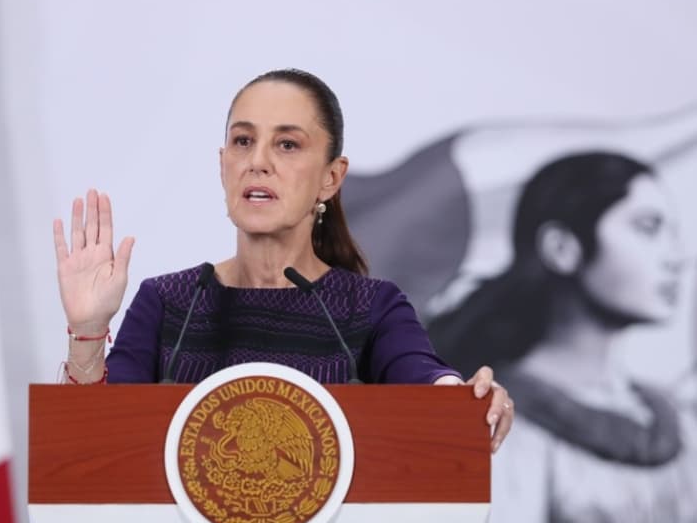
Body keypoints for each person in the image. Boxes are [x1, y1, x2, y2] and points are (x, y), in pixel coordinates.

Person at [52, 68, 514, 452]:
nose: (258, 161)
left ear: (331, 178)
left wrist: (465, 400)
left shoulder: (369, 308)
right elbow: (101, 442)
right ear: (222, 164)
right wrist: (87, 333)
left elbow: (421, 376)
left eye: (287, 144)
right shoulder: (169, 302)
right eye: (242, 141)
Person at [428, 152, 697, 523]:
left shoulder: (678, 419)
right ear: (561, 248)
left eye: (673, 233)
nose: (677, 257)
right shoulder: (498, 425)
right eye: (647, 228)